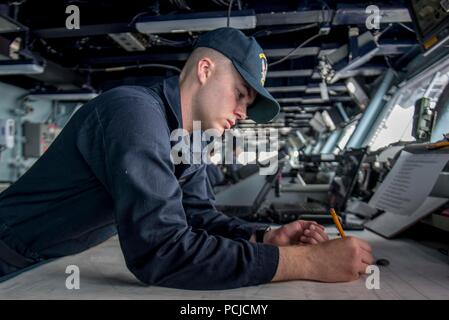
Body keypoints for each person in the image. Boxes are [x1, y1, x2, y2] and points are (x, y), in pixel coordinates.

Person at [0, 27, 373, 289]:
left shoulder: (192, 138)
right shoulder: (133, 114)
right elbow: (160, 253)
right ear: (205, 70)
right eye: (240, 94)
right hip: (10, 254)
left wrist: (264, 237)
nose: (243, 112)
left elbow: (196, 216)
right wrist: (307, 263)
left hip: (46, 260)